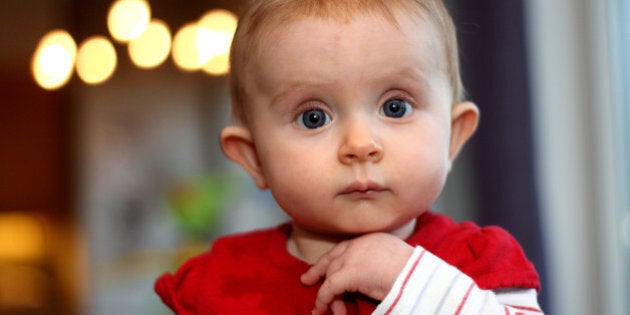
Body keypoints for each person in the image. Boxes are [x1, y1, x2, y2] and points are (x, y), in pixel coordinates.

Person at [155, 0, 544, 314]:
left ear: (452, 138)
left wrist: (408, 281)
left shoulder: (480, 265)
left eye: (395, 107)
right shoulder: (218, 284)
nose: (359, 144)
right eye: (313, 118)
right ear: (254, 157)